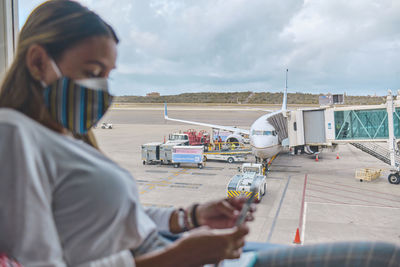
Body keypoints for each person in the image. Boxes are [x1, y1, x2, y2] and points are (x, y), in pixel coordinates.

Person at [0, 1, 399, 267]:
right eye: (92, 72)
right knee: (382, 259)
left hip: (171, 248)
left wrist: (189, 216)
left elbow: (119, 221)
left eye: (108, 76)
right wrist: (176, 258)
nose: (103, 89)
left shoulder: (66, 135)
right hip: (166, 259)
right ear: (38, 61)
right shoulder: (13, 135)